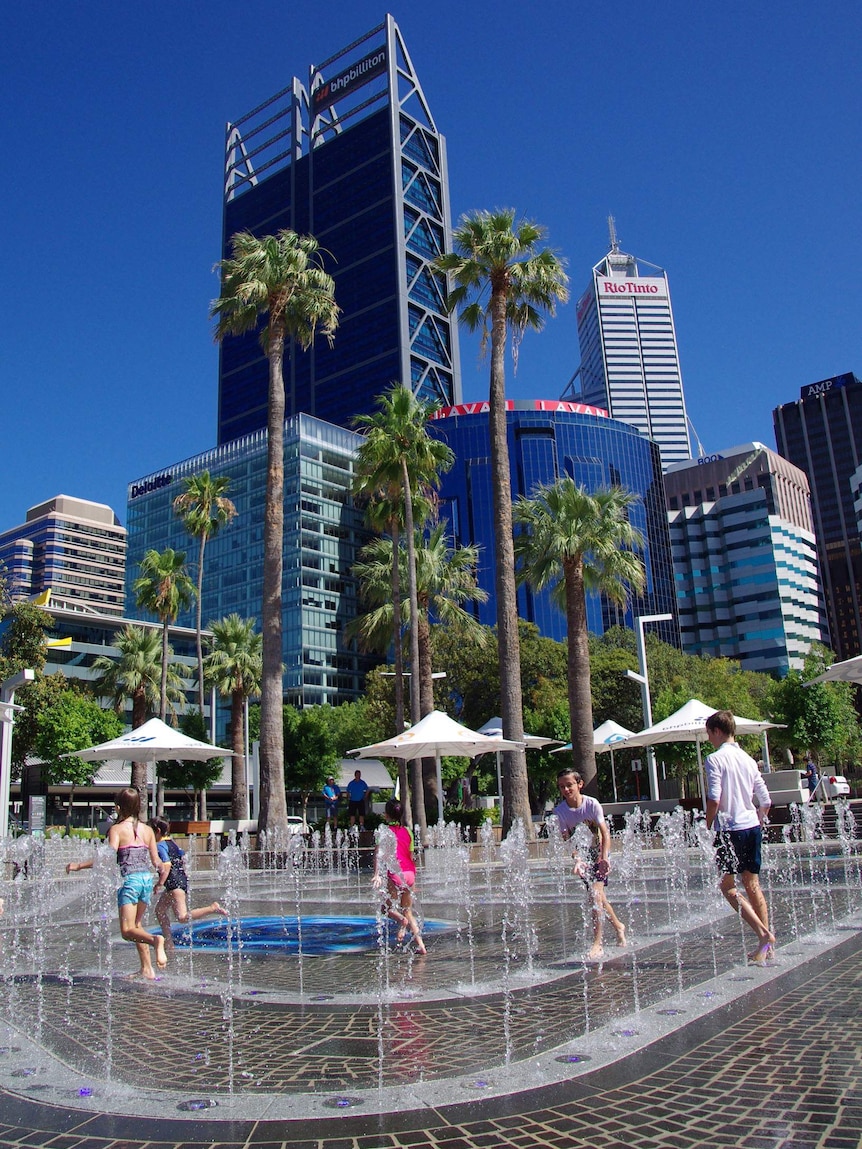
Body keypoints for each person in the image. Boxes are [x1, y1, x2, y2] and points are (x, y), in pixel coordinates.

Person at [69, 787, 169, 978]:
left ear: (118, 807)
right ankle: (147, 969)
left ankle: (156, 940)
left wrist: (79, 865)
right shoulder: (148, 830)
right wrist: (161, 871)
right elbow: (156, 861)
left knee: (127, 931)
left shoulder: (116, 829)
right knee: (137, 925)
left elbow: (107, 857)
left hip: (130, 881)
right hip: (146, 880)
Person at [705, 710, 776, 965]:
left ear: (716, 731)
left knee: (727, 886)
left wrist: (708, 823)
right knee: (752, 884)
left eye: (709, 734)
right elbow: (766, 800)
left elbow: (714, 796)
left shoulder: (714, 759)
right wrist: (758, 817)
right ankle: (765, 946)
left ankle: (763, 934)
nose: (709, 740)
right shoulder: (748, 759)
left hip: (729, 829)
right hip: (751, 827)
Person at [552, 767, 626, 960]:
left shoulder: (592, 804)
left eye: (569, 785)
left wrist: (604, 858)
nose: (566, 790)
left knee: (595, 896)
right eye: (562, 787)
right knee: (598, 898)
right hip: (583, 858)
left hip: (599, 854)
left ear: (579, 784)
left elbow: (605, 832)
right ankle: (618, 926)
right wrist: (576, 859)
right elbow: (567, 840)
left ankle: (597, 944)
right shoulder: (560, 812)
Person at [149, 817, 226, 951]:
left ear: (158, 831)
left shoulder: (160, 846)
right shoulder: (172, 843)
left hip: (174, 884)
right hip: (177, 882)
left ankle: (212, 908)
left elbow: (166, 866)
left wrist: (159, 883)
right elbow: (182, 857)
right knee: (160, 911)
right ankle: (169, 943)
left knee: (182, 917)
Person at [372, 798, 426, 954]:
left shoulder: (383, 831)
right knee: (407, 910)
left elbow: (378, 854)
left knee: (385, 908)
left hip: (396, 874)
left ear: (386, 815)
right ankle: (421, 946)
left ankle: (402, 922)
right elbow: (410, 855)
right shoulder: (408, 831)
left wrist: (376, 874)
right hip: (410, 874)